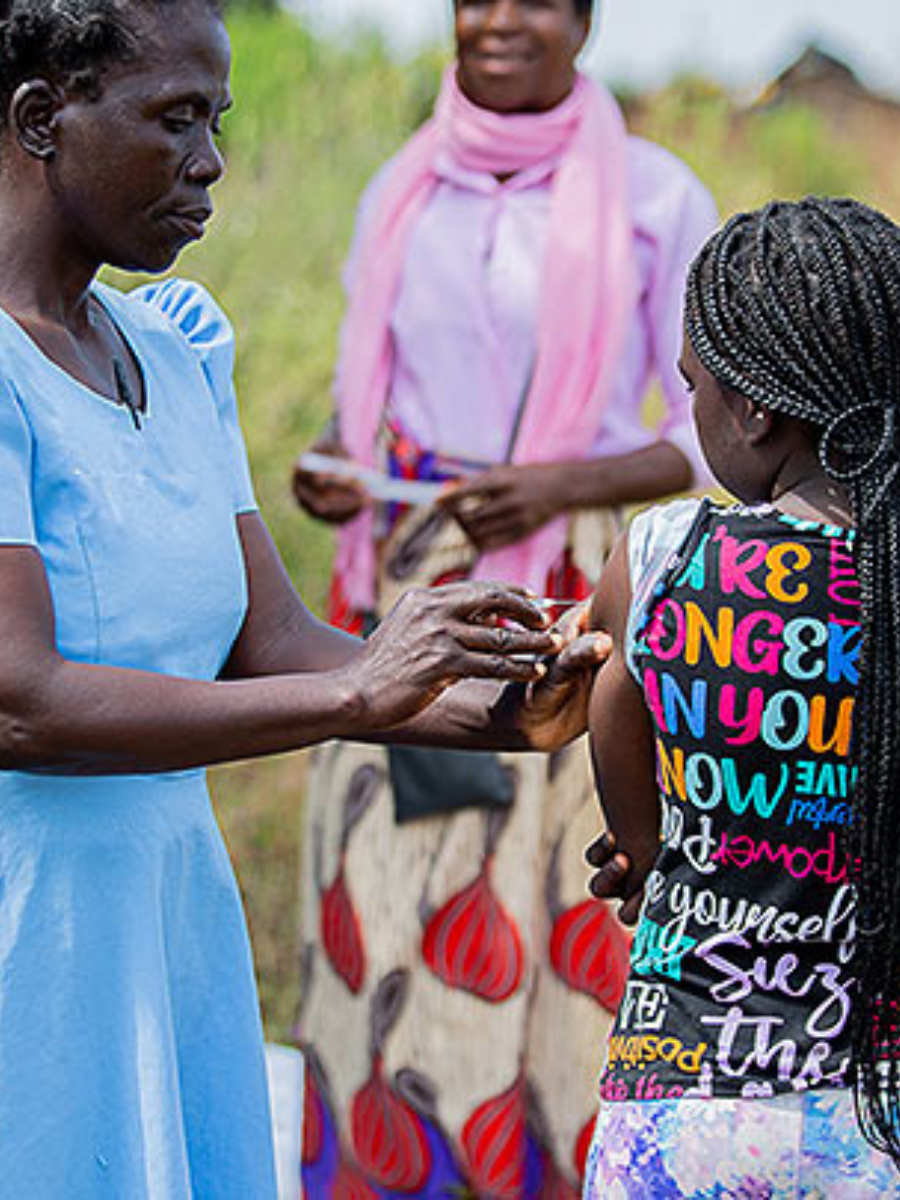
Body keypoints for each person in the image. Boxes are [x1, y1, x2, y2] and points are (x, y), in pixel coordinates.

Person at [0, 2, 610, 1196]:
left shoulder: (170, 354)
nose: (212, 159)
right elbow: (20, 703)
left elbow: (267, 640)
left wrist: (501, 708)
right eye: (176, 119)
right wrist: (355, 689)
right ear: (40, 118)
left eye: (217, 120)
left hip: (169, 909)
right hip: (38, 930)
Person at [291, 0, 716, 1193]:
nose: (498, 19)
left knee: (561, 901)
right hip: (421, 581)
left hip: (585, 605)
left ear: (585, 22)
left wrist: (560, 481)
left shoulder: (654, 197)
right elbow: (366, 395)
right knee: (392, 887)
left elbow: (717, 431)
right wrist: (333, 461)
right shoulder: (400, 191)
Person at [582, 196, 900, 1197]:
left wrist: (643, 856)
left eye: (694, 387)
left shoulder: (666, 557)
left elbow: (610, 715)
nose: (693, 411)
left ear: (755, 409)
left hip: (685, 1100)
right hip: (877, 1114)